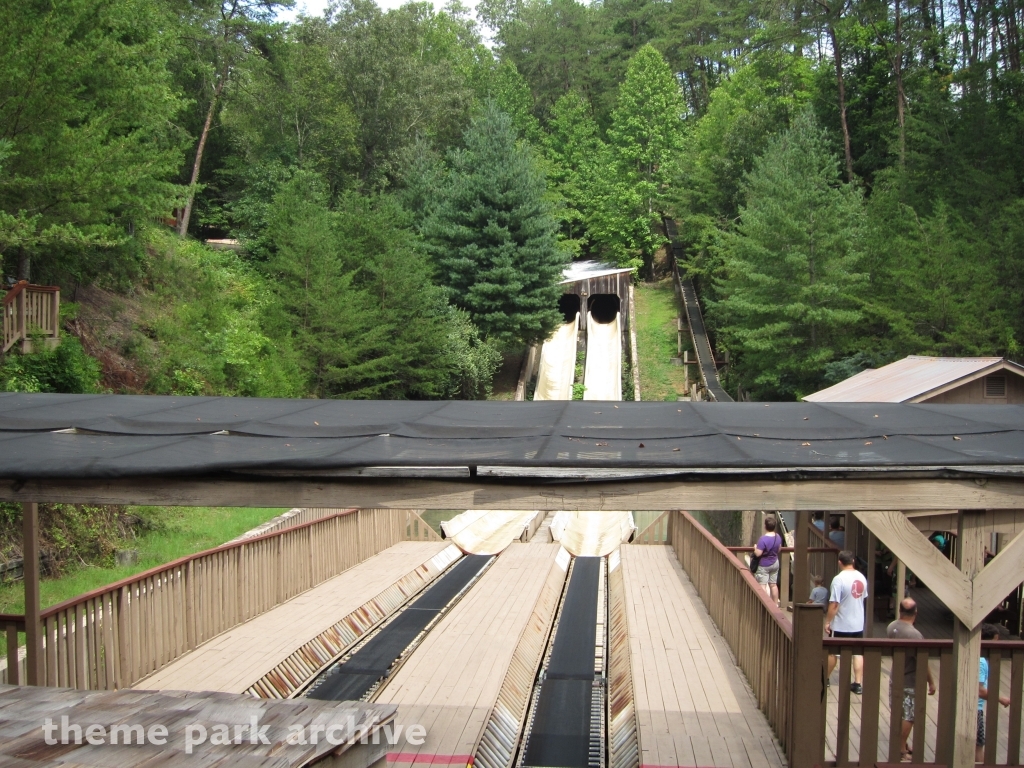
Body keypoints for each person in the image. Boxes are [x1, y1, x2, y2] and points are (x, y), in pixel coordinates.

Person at [886, 599, 936, 761]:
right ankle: (900, 750)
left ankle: (902, 744)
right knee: (909, 716)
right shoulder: (914, 635)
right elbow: (922, 661)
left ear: (900, 611)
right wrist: (931, 681)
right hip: (910, 680)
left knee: (898, 713)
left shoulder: (892, 626)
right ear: (916, 613)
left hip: (896, 676)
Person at [826, 550, 868, 693]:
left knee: (833, 653)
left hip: (842, 623)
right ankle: (857, 683)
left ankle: (825, 678)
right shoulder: (861, 577)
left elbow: (834, 604)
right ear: (853, 561)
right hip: (858, 622)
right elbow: (863, 597)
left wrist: (828, 621)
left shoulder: (839, 579)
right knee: (857, 653)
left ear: (840, 562)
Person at [977, 623, 1012, 763]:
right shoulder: (980, 661)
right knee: (977, 747)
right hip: (975, 710)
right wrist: (1000, 698)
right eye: (995, 641)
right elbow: (979, 690)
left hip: (976, 709)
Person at [753, 516, 783, 605]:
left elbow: (758, 553)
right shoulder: (777, 537)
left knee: (763, 585)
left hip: (764, 565)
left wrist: (755, 548)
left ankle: (765, 605)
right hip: (775, 562)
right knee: (773, 584)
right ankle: (775, 604)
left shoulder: (763, 539)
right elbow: (779, 549)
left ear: (765, 526)